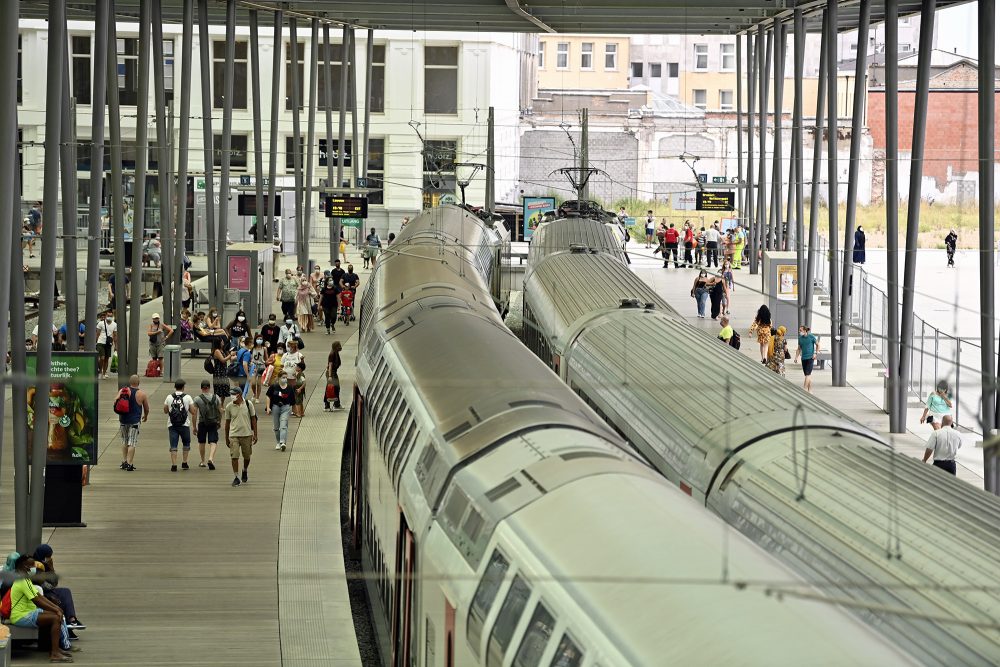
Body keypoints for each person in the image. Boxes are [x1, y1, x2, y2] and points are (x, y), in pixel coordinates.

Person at [7, 554, 75, 662]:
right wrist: (55, 609)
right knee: (55, 618)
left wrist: (55, 607)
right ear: (25, 566)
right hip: (21, 616)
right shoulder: (22, 581)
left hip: (29, 612)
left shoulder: (25, 579)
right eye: (31, 565)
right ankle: (55, 653)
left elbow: (39, 596)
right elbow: (37, 601)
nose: (34, 567)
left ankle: (55, 649)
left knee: (57, 614)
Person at [30, 545, 85, 634]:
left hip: (48, 590)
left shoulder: (46, 565)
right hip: (39, 593)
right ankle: (67, 629)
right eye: (48, 556)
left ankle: (72, 619)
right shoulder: (34, 566)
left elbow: (54, 583)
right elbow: (44, 585)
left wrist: (51, 569)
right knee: (58, 599)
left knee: (66, 591)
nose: (49, 559)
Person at [224, 387, 258, 487]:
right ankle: (236, 477)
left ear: (239, 394)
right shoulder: (229, 406)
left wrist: (255, 434)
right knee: (234, 456)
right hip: (233, 435)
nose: (232, 396)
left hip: (246, 434)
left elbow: (253, 419)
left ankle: (245, 470)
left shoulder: (248, 404)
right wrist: (226, 437)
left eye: (234, 394)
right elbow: (227, 423)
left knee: (247, 456)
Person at [118, 375, 150, 471]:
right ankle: (129, 463)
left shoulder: (122, 391)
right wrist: (146, 416)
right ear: (138, 382)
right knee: (132, 442)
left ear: (130, 382)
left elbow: (115, 401)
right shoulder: (141, 394)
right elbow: (147, 408)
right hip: (134, 421)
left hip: (123, 420)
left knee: (124, 440)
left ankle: (124, 461)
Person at [163, 378, 196, 471]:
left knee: (173, 445)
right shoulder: (188, 397)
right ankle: (184, 463)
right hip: (184, 424)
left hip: (172, 424)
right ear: (183, 387)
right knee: (186, 443)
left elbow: (165, 411)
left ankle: (174, 465)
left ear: (175, 387)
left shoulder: (169, 397)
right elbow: (193, 411)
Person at [193, 379, 221, 469]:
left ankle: (202, 461)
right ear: (209, 387)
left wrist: (194, 426)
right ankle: (211, 458)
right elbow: (219, 411)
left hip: (202, 422)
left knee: (201, 442)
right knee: (213, 441)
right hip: (213, 422)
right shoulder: (216, 397)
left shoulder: (197, 399)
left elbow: (194, 414)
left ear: (201, 388)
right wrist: (219, 421)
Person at [265, 374, 295, 451]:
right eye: (283, 377)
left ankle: (282, 442)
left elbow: (292, 400)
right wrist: (268, 407)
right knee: (276, 427)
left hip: (285, 407)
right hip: (275, 407)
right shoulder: (274, 386)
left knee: (283, 425)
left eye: (286, 377)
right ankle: (278, 442)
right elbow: (268, 396)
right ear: (279, 378)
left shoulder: (289, 388)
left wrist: (293, 410)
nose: (285, 379)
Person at [795, 325, 820, 393]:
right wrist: (796, 358)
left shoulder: (811, 336)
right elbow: (799, 349)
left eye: (800, 330)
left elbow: (818, 345)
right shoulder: (800, 338)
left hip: (810, 358)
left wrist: (816, 353)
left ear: (805, 331)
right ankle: (810, 390)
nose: (799, 332)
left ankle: (804, 390)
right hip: (803, 358)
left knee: (807, 374)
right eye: (799, 330)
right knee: (807, 375)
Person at [96, 311, 118, 379]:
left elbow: (115, 335)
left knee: (106, 358)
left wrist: (116, 345)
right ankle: (100, 371)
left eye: (111, 316)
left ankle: (104, 372)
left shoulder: (114, 324)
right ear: (106, 316)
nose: (109, 317)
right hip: (100, 342)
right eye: (108, 315)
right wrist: (95, 342)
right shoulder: (100, 323)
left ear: (113, 316)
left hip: (109, 343)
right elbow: (97, 333)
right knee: (102, 357)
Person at [250, 336, 269, 400]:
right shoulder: (253, 348)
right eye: (258, 339)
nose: (259, 340)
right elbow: (250, 357)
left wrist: (268, 365)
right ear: (255, 340)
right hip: (253, 366)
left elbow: (266, 358)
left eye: (261, 339)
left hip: (261, 366)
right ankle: (254, 394)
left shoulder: (264, 348)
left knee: (258, 383)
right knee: (253, 383)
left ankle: (257, 397)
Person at [325, 341, 343, 411]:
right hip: (331, 373)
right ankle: (327, 405)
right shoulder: (332, 354)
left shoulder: (335, 353)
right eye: (339, 346)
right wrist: (329, 376)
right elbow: (330, 365)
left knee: (336, 388)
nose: (340, 347)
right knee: (330, 388)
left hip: (333, 373)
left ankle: (336, 404)